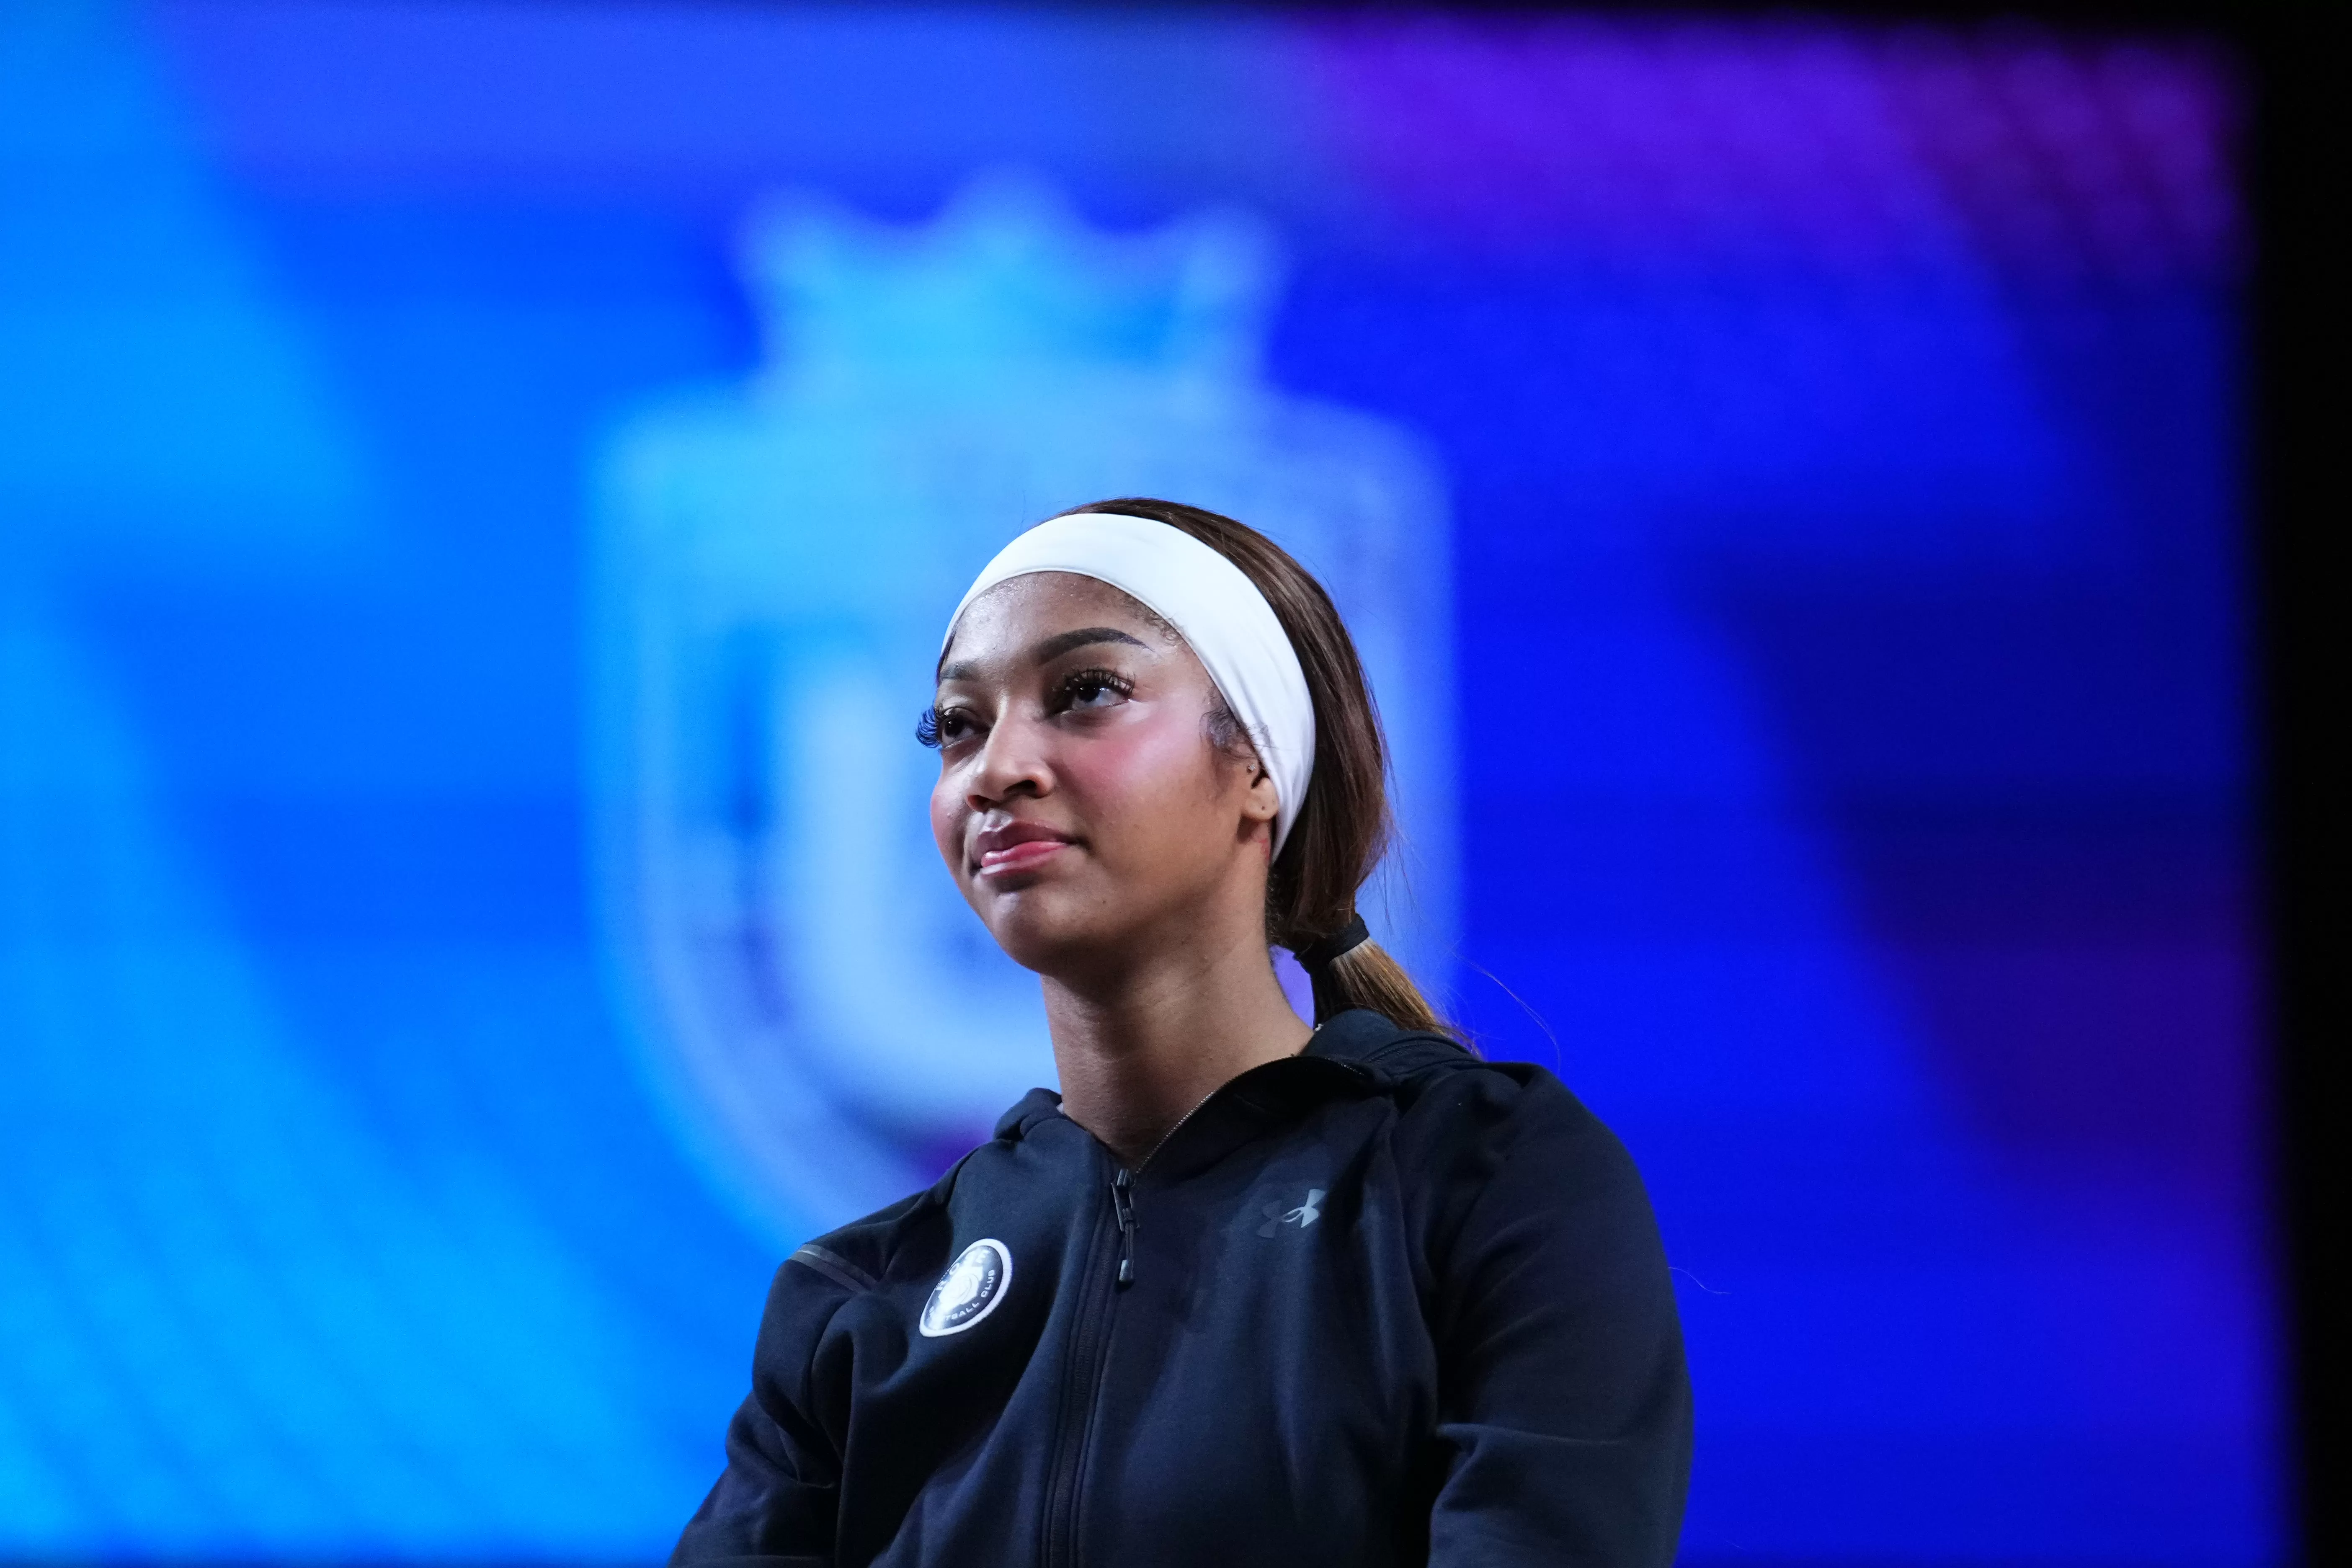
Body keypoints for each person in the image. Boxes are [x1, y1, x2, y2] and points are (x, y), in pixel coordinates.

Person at [671, 499, 1691, 1567]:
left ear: (1256, 764)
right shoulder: (861, 1295)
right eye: (956, 726)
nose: (995, 769)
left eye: (1086, 694)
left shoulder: (1483, 1175)